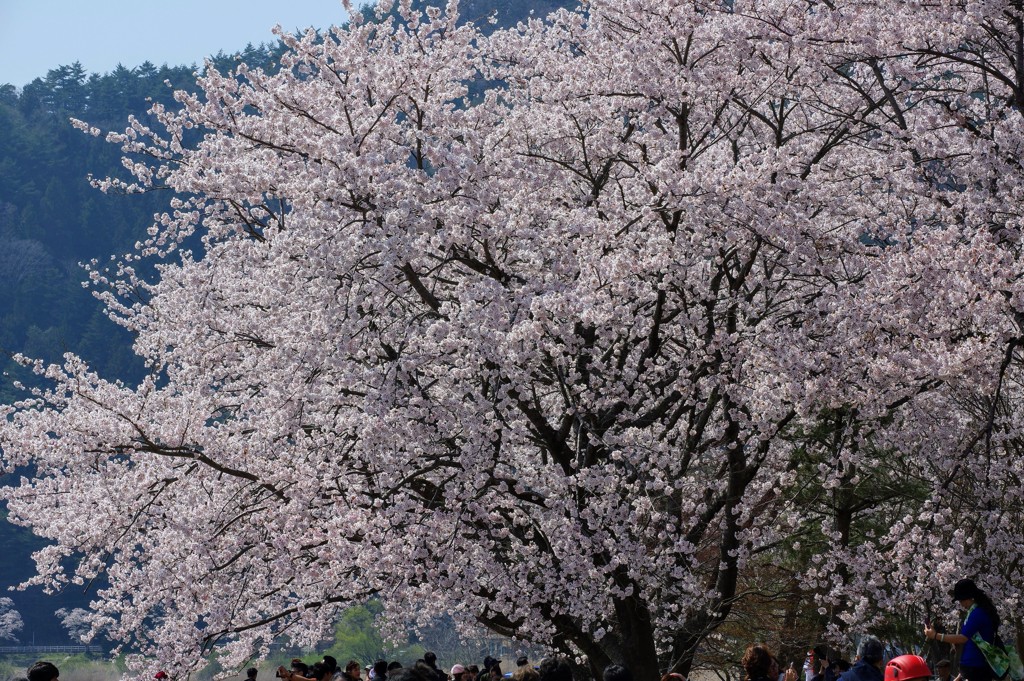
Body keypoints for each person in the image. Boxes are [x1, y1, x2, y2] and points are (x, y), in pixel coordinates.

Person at [925, 579, 1000, 681]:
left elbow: (963, 638)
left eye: (961, 600)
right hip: (974, 667)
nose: (961, 604)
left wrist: (935, 635)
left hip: (977, 667)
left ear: (969, 597)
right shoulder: (976, 611)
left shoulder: (977, 613)